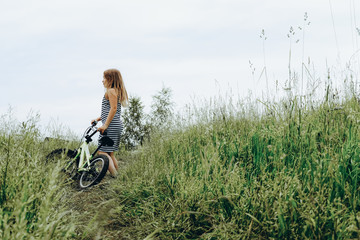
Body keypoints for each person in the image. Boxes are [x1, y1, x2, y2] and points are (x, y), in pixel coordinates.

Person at [91, 69, 128, 177]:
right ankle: (117, 176)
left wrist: (105, 125)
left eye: (104, 78)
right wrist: (98, 119)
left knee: (102, 152)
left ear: (110, 79)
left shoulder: (111, 91)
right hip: (116, 124)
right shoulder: (116, 91)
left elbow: (113, 109)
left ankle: (114, 176)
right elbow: (108, 110)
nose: (102, 81)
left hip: (111, 125)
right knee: (110, 153)